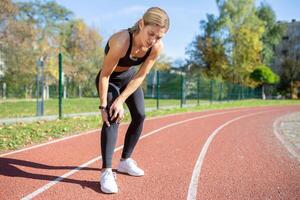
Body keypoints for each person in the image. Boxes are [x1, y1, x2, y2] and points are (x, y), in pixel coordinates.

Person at [95, 7, 169, 194]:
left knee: (140, 115)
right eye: (151, 33)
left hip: (129, 78)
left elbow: (140, 76)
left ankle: (125, 161)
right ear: (141, 23)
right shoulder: (121, 41)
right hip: (109, 79)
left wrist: (121, 99)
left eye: (159, 37)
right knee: (112, 118)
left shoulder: (156, 47)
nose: (153, 40)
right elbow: (104, 75)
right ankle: (106, 171)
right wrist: (104, 105)